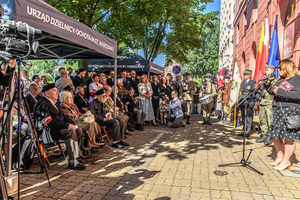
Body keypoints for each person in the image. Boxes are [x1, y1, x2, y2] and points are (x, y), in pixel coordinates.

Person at [33, 84, 85, 170]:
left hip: (56, 129)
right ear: (47, 93)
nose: (57, 92)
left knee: (78, 129)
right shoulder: (42, 104)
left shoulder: (56, 104)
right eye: (54, 90)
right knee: (70, 131)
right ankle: (72, 162)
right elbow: (49, 123)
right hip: (46, 132)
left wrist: (72, 124)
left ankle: (74, 157)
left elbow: (63, 118)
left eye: (57, 90)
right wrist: (68, 125)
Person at [265, 60, 300, 171]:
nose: (278, 70)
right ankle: (279, 157)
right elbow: (273, 91)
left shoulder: (297, 80)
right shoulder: (281, 80)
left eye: (280, 68)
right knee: (276, 136)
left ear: (287, 68)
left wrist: (279, 92)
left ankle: (286, 161)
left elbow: (297, 94)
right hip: (278, 111)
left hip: (290, 112)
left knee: (288, 138)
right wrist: (267, 85)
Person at [256, 65, 277, 145]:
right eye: (265, 69)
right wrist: (258, 94)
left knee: (270, 120)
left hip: (270, 103)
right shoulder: (264, 80)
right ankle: (264, 134)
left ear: (272, 70)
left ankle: (270, 136)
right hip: (262, 102)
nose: (266, 71)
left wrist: (268, 84)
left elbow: (273, 91)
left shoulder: (275, 81)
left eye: (267, 69)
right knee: (262, 120)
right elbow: (258, 89)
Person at [237, 69, 257, 137]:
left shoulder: (253, 82)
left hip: (249, 100)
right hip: (243, 100)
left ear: (249, 75)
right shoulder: (243, 83)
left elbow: (253, 92)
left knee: (248, 116)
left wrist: (253, 102)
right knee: (243, 116)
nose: (244, 76)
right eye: (244, 75)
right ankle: (244, 129)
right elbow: (241, 92)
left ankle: (248, 131)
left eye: (245, 75)